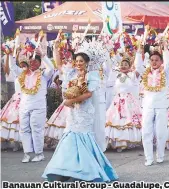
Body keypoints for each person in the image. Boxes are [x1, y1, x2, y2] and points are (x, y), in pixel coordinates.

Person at [42, 52, 118, 182]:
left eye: (81, 61)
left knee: (83, 138)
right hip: (73, 112)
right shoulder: (71, 74)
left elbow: (88, 94)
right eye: (76, 61)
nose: (78, 63)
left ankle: (87, 171)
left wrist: (72, 101)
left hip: (84, 112)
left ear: (87, 63)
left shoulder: (92, 76)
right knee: (69, 137)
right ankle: (65, 170)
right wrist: (68, 99)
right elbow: (65, 89)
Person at [9, 47, 54, 162]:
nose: (33, 62)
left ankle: (39, 153)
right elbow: (13, 67)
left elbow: (51, 68)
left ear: (39, 63)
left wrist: (43, 56)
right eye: (31, 61)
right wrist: (10, 55)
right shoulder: (23, 74)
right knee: (24, 129)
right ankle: (27, 153)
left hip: (38, 107)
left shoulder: (44, 74)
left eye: (36, 61)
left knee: (36, 129)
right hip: (24, 106)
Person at [141, 41, 169, 166]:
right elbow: (138, 65)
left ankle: (160, 155)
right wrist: (139, 51)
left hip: (161, 105)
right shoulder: (146, 72)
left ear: (161, 62)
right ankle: (148, 157)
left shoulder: (165, 72)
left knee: (160, 132)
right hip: (148, 105)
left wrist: (165, 48)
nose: (154, 62)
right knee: (146, 132)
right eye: (152, 60)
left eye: (157, 60)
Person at [105, 55, 142, 152]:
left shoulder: (133, 75)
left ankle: (125, 142)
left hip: (128, 101)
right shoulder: (116, 75)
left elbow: (139, 68)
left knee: (127, 120)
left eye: (126, 64)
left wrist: (138, 53)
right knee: (115, 119)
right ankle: (115, 142)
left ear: (130, 66)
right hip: (117, 100)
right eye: (122, 64)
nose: (124, 66)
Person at [1, 49, 29, 151]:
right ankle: (16, 143)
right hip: (16, 100)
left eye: (25, 65)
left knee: (24, 122)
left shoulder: (30, 75)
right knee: (14, 121)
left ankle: (26, 143)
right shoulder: (18, 73)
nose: (23, 67)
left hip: (26, 100)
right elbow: (12, 66)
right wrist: (10, 55)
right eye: (21, 65)